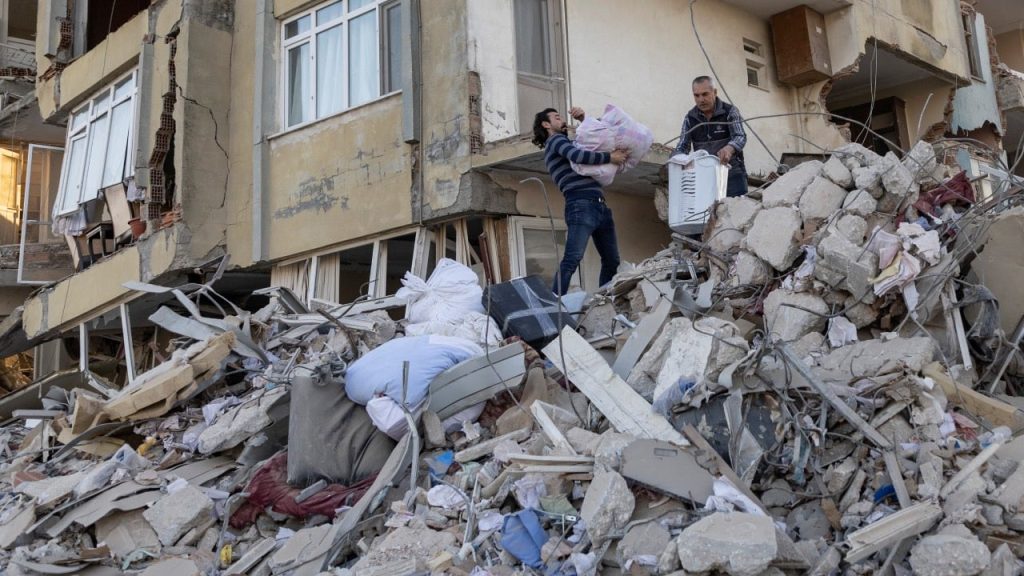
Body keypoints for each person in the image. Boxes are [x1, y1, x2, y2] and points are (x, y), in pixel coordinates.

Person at [532, 107, 628, 296]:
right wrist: (610, 157)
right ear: (546, 125)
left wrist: (584, 119)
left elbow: (588, 141)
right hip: (581, 203)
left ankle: (603, 301)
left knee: (611, 260)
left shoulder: (564, 141)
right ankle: (555, 303)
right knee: (572, 259)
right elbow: (578, 155)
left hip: (598, 205)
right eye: (557, 118)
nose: (562, 120)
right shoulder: (556, 141)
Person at [674, 76, 749, 197]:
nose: (701, 99)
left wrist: (729, 148)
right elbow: (683, 145)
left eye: (705, 94)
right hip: (704, 178)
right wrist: (675, 159)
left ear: (715, 92)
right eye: (696, 95)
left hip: (733, 176)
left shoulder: (730, 111)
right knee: (707, 215)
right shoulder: (690, 117)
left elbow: (740, 136)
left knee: (736, 214)